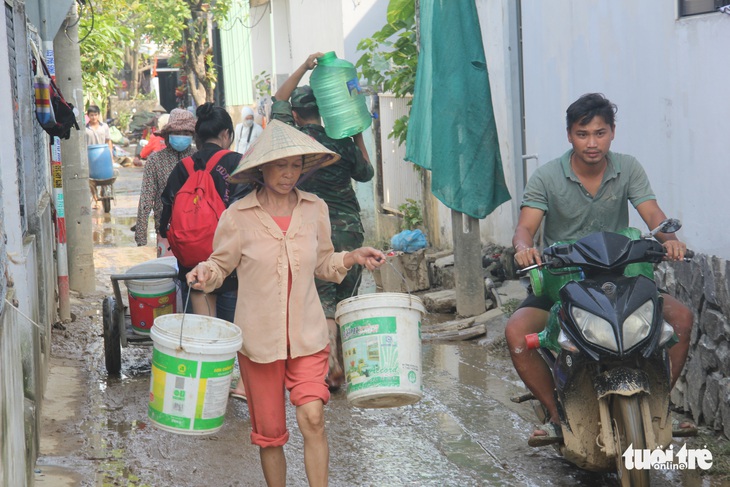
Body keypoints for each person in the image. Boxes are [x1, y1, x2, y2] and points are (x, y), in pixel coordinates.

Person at [185, 119, 386, 487]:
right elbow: (219, 265)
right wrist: (203, 273)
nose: (289, 174)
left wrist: (353, 256)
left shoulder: (315, 209)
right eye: (281, 165)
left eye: (296, 165)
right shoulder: (238, 217)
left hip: (308, 336)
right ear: (262, 168)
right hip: (259, 342)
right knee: (271, 433)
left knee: (313, 416)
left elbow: (324, 263)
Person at [504, 93, 695, 447]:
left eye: (600, 133)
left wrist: (671, 240)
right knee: (517, 333)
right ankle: (558, 417)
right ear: (569, 135)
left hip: (622, 278)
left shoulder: (628, 167)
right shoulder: (547, 177)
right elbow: (525, 227)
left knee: (681, 318)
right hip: (562, 280)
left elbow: (652, 215)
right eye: (582, 134)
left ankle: (658, 407)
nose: (592, 143)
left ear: (612, 133)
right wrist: (523, 248)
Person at [271, 52, 375, 390]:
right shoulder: (341, 143)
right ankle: (344, 367)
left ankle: (329, 369)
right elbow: (366, 172)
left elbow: (278, 100)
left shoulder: (294, 141)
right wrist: (356, 131)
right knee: (344, 300)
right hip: (349, 229)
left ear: (298, 115)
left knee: (322, 301)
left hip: (312, 230)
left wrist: (303, 65)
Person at [134, 108, 196, 257]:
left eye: (186, 133)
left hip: (196, 228)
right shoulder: (155, 160)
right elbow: (146, 197)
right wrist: (141, 235)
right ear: (167, 135)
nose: (181, 137)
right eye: (177, 133)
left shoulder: (198, 158)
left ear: (192, 136)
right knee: (168, 275)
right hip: (166, 230)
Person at [85, 104, 113, 208]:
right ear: (88, 116)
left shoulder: (104, 127)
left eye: (95, 115)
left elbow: (108, 140)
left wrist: (110, 153)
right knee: (91, 179)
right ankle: (96, 200)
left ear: (98, 115)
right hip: (91, 155)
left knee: (105, 177)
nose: (94, 117)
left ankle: (104, 193)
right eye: (91, 115)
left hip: (103, 154)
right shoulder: (86, 129)